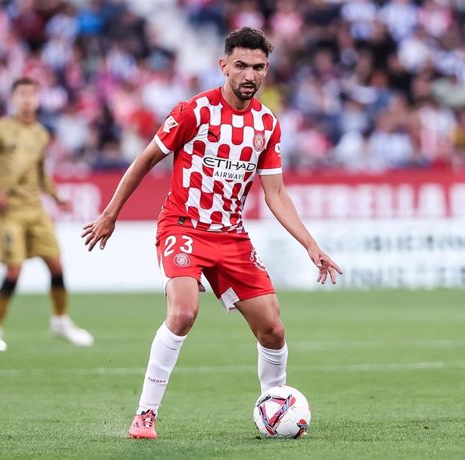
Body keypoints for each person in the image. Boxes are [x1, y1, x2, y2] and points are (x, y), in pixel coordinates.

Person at [81, 27, 342, 439]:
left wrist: (311, 244)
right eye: (240, 66)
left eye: (258, 67)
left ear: (267, 69)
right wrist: (110, 213)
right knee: (184, 312)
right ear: (224, 66)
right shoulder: (194, 112)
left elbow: (275, 192)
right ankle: (145, 414)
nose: (249, 75)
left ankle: (276, 408)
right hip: (183, 225)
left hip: (231, 236)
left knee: (272, 327)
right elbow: (146, 159)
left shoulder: (267, 124)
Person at [0, 77, 93, 352]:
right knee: (14, 268)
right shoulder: (0, 129)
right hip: (10, 210)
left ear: (39, 99)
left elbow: (41, 173)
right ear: (13, 99)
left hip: (35, 209)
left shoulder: (40, 133)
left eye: (32, 94)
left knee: (56, 265)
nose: (27, 99)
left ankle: (61, 321)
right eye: (22, 94)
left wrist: (56, 195)